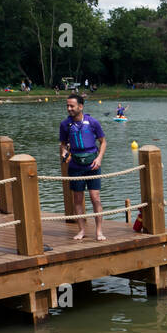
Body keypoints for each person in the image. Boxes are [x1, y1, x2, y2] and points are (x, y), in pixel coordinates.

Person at [58, 92, 106, 241]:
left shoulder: (92, 122)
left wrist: (99, 158)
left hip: (92, 164)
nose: (69, 109)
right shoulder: (65, 125)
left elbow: (103, 142)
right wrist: (64, 153)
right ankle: (81, 230)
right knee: (77, 199)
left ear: (80, 106)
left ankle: (99, 231)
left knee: (95, 198)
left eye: (72, 106)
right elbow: (63, 145)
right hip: (75, 165)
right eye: (67, 106)